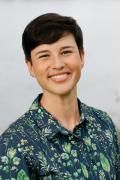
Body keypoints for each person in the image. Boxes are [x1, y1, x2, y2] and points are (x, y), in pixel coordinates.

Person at [0, 13, 119, 180]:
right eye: (44, 55)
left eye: (66, 52)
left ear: (82, 56)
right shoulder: (13, 143)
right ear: (31, 67)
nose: (57, 64)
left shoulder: (103, 123)